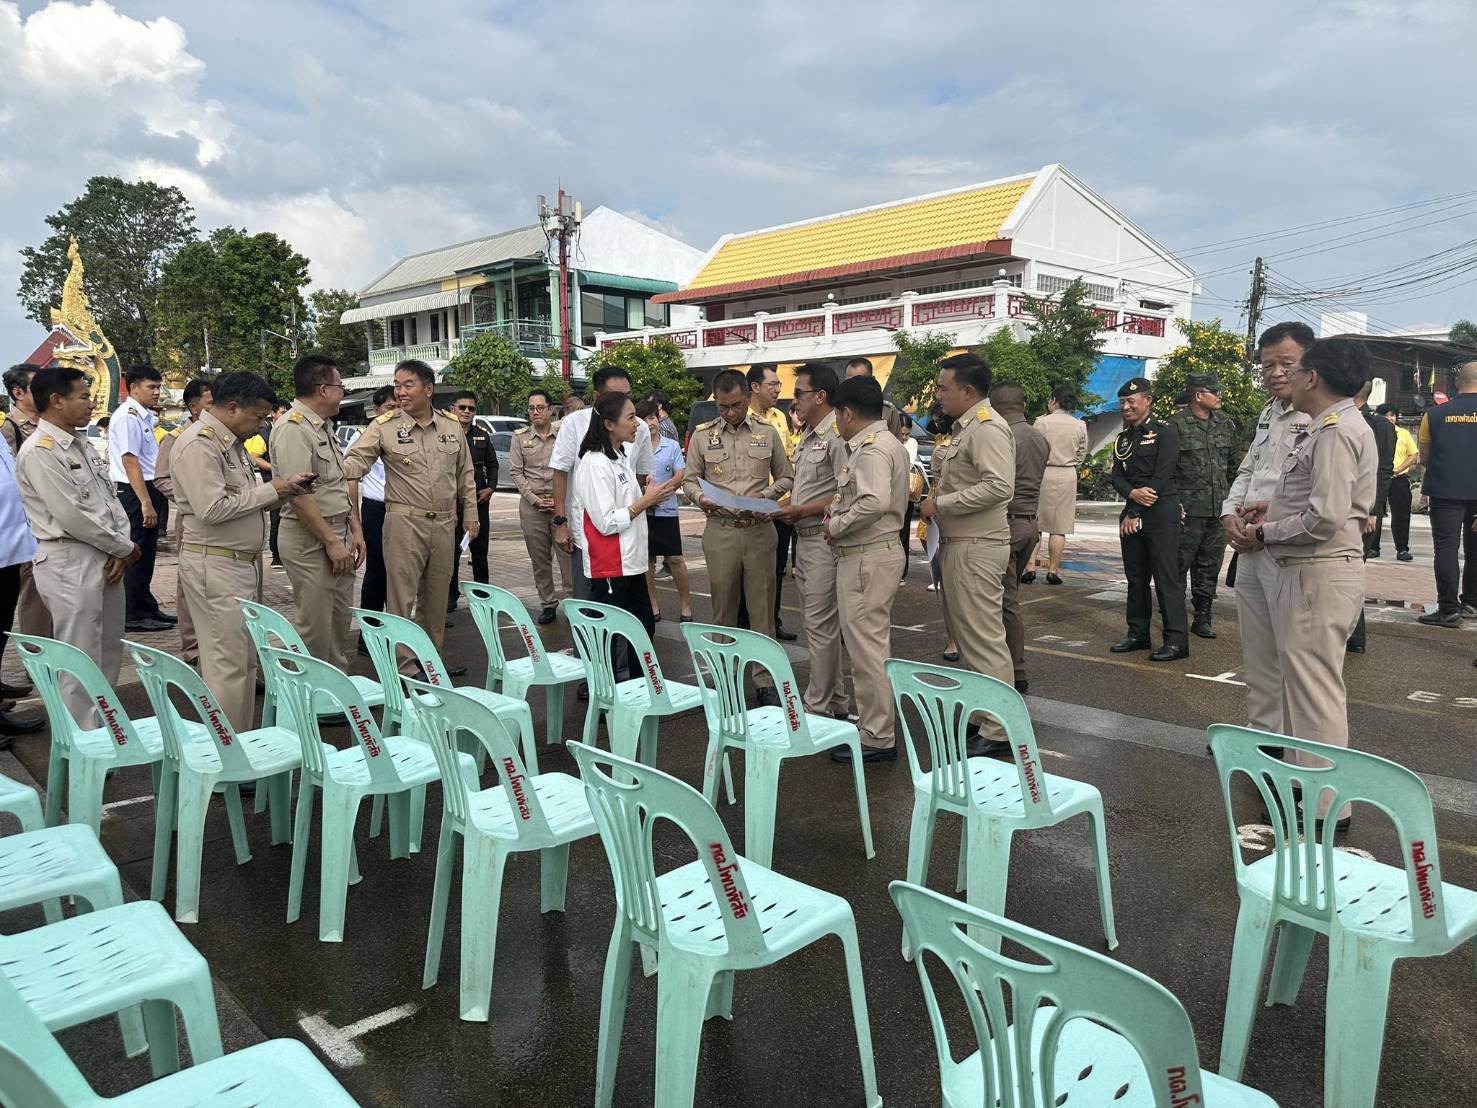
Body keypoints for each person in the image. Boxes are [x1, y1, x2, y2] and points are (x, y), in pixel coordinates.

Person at [1242, 337, 1376, 829]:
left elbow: (1325, 517)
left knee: (1315, 694)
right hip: (1308, 570)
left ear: (1313, 377)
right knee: (1301, 691)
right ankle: (1305, 786)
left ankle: (1324, 808)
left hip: (1319, 570)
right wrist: (1269, 509)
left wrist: (1264, 531)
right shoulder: (1325, 427)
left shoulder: (1336, 431)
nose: (1286, 378)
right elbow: (1310, 499)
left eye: (1294, 369)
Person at [171, 371, 315, 731]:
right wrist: (274, 489)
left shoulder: (229, 443)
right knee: (226, 665)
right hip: (215, 564)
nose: (261, 424)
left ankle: (239, 747)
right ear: (233, 408)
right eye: (258, 416)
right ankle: (229, 760)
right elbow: (212, 508)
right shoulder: (199, 444)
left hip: (238, 564)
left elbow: (240, 502)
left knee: (243, 660)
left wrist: (282, 490)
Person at [15, 365, 138, 725]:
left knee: (109, 647)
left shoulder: (81, 444)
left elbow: (109, 504)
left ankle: (107, 728)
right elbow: (71, 515)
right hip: (70, 559)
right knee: (80, 654)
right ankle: (85, 741)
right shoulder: (41, 450)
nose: (91, 403)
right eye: (83, 396)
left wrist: (122, 546)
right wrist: (123, 548)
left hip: (106, 555)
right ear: (56, 401)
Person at [344, 360, 477, 669]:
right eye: (397, 385)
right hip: (404, 523)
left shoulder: (451, 426)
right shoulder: (385, 426)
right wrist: (327, 468)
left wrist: (471, 514)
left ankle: (430, 662)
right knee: (401, 598)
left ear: (428, 389)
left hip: (445, 524)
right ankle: (405, 667)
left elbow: (465, 475)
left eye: (408, 385)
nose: (400, 392)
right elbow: (354, 463)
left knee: (436, 598)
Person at [918, 352, 1015, 755]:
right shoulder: (964, 429)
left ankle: (1000, 729)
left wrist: (944, 503)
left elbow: (999, 487)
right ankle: (982, 715)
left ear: (968, 390)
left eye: (944, 388)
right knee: (972, 639)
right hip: (960, 544)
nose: (939, 395)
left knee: (984, 638)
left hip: (978, 545)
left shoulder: (987, 429)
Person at [1222, 322, 1314, 736]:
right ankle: (1263, 734)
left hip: (1287, 547)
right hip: (1250, 544)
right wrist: (1229, 514)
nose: (1275, 372)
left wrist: (1265, 523)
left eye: (1286, 363)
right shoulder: (1269, 412)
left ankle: (1297, 746)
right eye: (1267, 365)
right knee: (1257, 652)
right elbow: (1249, 469)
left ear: (1308, 364)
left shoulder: (1319, 414)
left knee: (1293, 653)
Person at [683, 368, 793, 708]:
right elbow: (689, 481)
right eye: (723, 407)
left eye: (736, 405)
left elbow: (787, 475)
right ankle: (724, 678)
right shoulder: (702, 437)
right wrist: (700, 498)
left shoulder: (767, 433)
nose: (731, 413)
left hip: (760, 531)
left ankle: (764, 681)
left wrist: (768, 497)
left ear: (748, 397)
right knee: (723, 610)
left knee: (762, 612)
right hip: (721, 532)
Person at [827, 375, 910, 763]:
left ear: (846, 412)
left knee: (867, 650)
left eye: (836, 416)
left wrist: (835, 525)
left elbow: (873, 502)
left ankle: (877, 736)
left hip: (866, 555)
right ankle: (876, 725)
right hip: (873, 553)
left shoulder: (871, 449)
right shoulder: (884, 442)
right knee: (872, 645)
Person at [572, 392, 680, 679]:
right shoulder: (595, 463)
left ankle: (636, 693)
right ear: (609, 424)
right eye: (631, 418)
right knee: (612, 638)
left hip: (630, 563)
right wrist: (644, 502)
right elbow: (605, 522)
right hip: (610, 566)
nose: (638, 424)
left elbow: (628, 507)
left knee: (642, 630)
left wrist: (650, 496)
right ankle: (609, 701)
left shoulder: (619, 456)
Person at [271, 353, 364, 669]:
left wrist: (353, 532)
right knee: (316, 624)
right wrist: (330, 541)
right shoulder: (293, 428)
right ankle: (311, 699)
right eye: (341, 386)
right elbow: (299, 496)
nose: (343, 392)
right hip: (310, 538)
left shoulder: (322, 426)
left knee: (339, 620)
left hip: (334, 533)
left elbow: (335, 486)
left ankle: (335, 691)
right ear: (324, 389)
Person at [776, 362, 849, 719]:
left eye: (799, 392)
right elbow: (799, 483)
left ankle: (816, 705)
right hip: (804, 539)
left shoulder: (837, 434)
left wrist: (801, 508)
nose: (794, 400)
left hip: (823, 539)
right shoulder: (807, 435)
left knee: (820, 627)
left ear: (821, 395)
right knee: (818, 627)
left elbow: (845, 493)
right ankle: (836, 702)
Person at [551, 367, 655, 601]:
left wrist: (648, 498)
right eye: (617, 396)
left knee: (630, 609)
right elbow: (560, 473)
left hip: (628, 536)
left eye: (628, 395)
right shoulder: (575, 425)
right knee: (590, 604)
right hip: (589, 534)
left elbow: (641, 476)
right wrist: (561, 522)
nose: (625, 402)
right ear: (598, 398)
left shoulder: (638, 427)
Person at [1110, 377, 1188, 661]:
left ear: (1147, 401)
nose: (1126, 406)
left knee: (1166, 578)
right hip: (1133, 509)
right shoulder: (1123, 438)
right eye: (1122, 402)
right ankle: (1138, 634)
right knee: (1136, 577)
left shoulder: (1165, 431)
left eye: (1131, 401)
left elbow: (1163, 473)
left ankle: (1176, 641)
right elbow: (1116, 476)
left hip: (1160, 511)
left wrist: (1136, 510)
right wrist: (1131, 495)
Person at [1169, 373, 1239, 639]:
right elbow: (1168, 470)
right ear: (1198, 395)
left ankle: (1203, 617)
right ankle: (1173, 615)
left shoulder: (1224, 424)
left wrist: (1233, 501)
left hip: (1217, 510)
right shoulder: (1176, 426)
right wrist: (1174, 502)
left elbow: (1235, 466)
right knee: (1178, 566)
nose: (1220, 395)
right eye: (1215, 391)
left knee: (1210, 567)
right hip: (1188, 511)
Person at [991, 381, 1049, 694]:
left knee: (1004, 603)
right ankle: (1014, 667)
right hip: (1029, 523)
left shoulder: (1001, 435)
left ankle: (1015, 670)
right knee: (1008, 598)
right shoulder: (1040, 437)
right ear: (1023, 406)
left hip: (1006, 524)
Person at [109, 364, 174, 632]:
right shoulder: (128, 416)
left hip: (147, 486)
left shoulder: (143, 415)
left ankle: (146, 606)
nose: (157, 392)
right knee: (135, 550)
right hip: (134, 490)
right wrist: (146, 501)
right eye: (152, 387)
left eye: (159, 387)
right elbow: (129, 460)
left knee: (147, 552)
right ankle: (133, 613)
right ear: (134, 387)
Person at [155, 376, 214, 665]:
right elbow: (161, 478)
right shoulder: (177, 438)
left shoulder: (221, 438)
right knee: (189, 583)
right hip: (191, 520)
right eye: (210, 403)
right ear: (193, 407)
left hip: (220, 521)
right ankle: (192, 648)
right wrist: (189, 498)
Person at [1415, 361, 1477, 628]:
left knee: (1446, 550)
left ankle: (1448, 609)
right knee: (1475, 551)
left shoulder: (1434, 414)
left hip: (1445, 490)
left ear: (1456, 383)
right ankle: (1472, 603)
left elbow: (1425, 456)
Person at [742, 363, 797, 641]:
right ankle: (748, 626)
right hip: (751, 509)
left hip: (779, 506)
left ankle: (772, 623)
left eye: (778, 384)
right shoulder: (742, 416)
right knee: (748, 573)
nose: (778, 389)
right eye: (772, 384)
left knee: (775, 571)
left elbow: (785, 462)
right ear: (754, 387)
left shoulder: (779, 417)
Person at [2, 362, 52, 640]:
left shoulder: (46, 423)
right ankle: (38, 657)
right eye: (37, 386)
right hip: (28, 524)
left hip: (51, 520)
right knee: (35, 593)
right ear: (18, 392)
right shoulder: (10, 429)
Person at [1346, 378, 1396, 653]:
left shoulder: (1379, 426)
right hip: (1342, 506)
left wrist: (1374, 510)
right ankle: (1351, 636)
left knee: (1351, 571)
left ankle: (1354, 637)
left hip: (1364, 510)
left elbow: (1383, 471)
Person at [509, 389, 566, 623]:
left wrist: (557, 498)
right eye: (531, 408)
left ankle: (573, 603)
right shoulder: (519, 438)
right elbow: (515, 472)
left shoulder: (563, 436)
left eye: (540, 408)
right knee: (540, 560)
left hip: (559, 504)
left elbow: (569, 468)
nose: (535, 412)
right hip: (532, 507)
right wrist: (534, 499)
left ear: (550, 410)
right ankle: (548, 603)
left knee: (567, 556)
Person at [1028, 387, 1089, 586]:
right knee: (1059, 527)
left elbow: (1033, 449)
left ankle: (1030, 567)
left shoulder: (1041, 422)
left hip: (1043, 472)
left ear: (1055, 401)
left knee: (1036, 522)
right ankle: (1053, 570)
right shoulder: (1079, 425)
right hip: (1066, 473)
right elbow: (1081, 454)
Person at [351, 386, 396, 655]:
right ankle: (367, 636)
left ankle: (391, 633)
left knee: (399, 574)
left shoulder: (404, 434)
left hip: (401, 510)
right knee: (377, 571)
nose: (396, 412)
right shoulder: (365, 436)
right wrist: (354, 518)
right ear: (377, 410)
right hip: (376, 509)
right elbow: (351, 479)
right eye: (390, 407)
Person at [638, 399, 691, 622]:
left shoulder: (670, 445)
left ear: (658, 419)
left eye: (651, 418)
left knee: (675, 558)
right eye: (643, 419)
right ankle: (652, 603)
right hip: (642, 512)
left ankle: (686, 605)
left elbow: (680, 474)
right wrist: (647, 496)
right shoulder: (634, 447)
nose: (649, 423)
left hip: (667, 510)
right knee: (647, 560)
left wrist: (660, 493)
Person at [447, 390, 496, 613]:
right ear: (452, 409)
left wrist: (491, 488)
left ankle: (483, 595)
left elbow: (492, 464)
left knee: (480, 551)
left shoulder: (482, 435)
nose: (467, 412)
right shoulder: (445, 434)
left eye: (471, 408)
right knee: (452, 552)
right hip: (452, 503)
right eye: (462, 407)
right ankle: (450, 596)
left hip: (478, 500)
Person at [1379, 404, 1418, 561]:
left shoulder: (1403, 434)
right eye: (1386, 415)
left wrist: (1398, 469)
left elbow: (1413, 455)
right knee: (1374, 513)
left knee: (1401, 515)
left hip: (1398, 478)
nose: (1390, 418)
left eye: (1392, 415)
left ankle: (1402, 549)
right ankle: (1372, 547)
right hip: (1380, 478)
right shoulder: (1375, 433)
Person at [842, 357, 908, 442]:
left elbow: (895, 443)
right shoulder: (839, 410)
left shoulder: (887, 411)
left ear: (872, 379)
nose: (854, 386)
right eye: (849, 381)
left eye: (860, 380)